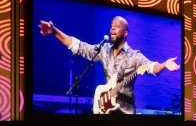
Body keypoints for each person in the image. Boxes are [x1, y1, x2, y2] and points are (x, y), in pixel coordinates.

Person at [39, 16, 179, 115]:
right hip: (105, 110)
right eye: (111, 26)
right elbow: (79, 46)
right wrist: (54, 31)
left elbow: (151, 67)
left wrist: (164, 65)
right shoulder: (104, 50)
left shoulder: (135, 56)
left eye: (117, 27)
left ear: (125, 33)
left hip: (126, 114)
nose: (112, 29)